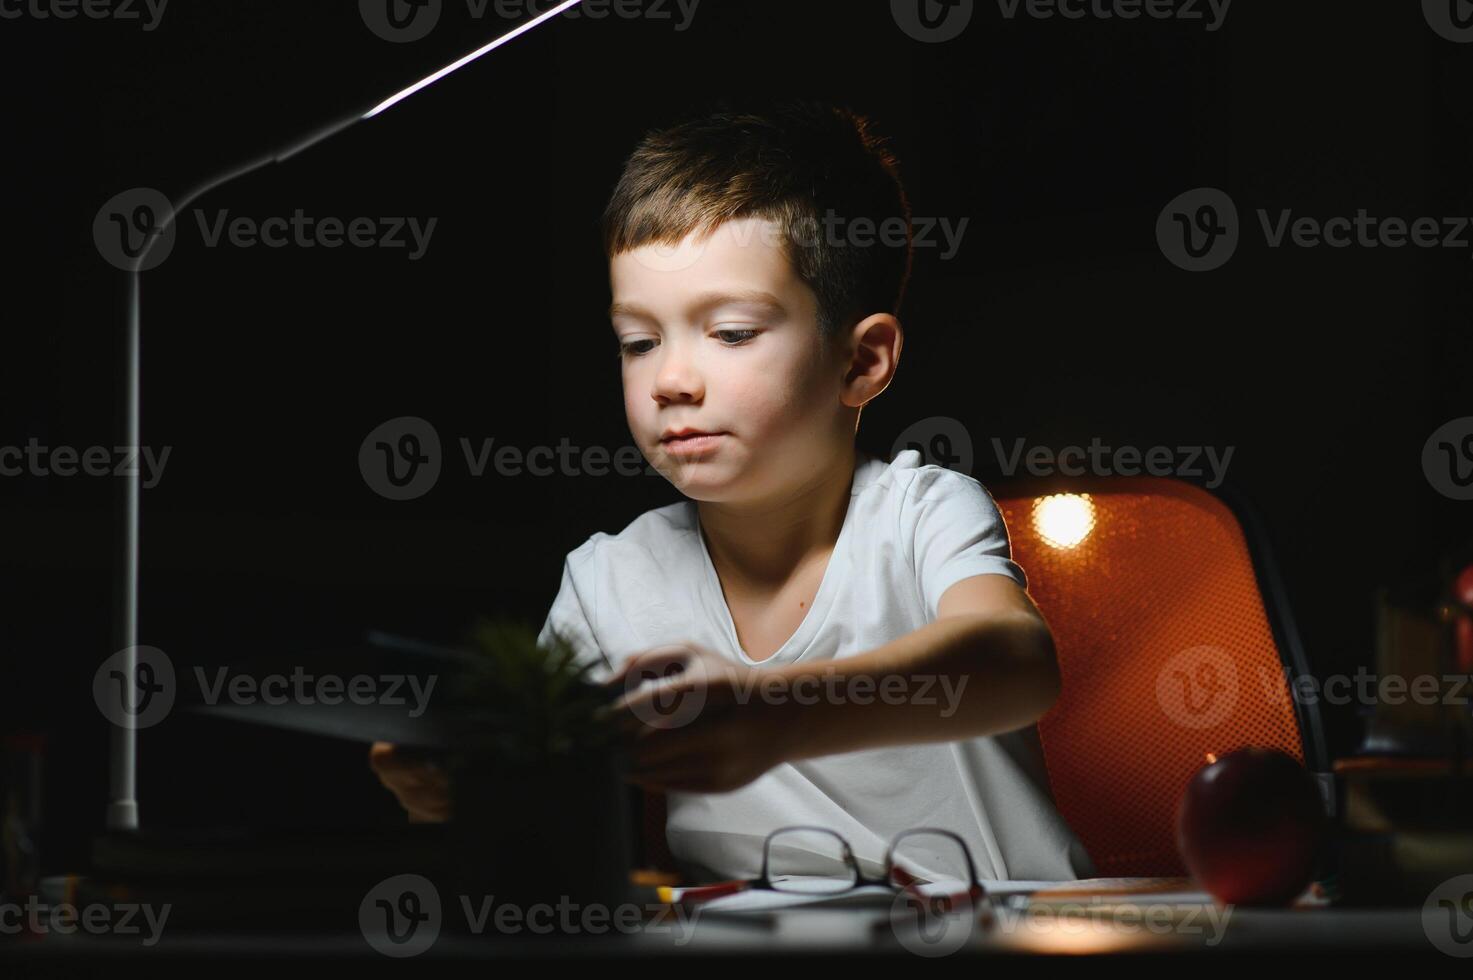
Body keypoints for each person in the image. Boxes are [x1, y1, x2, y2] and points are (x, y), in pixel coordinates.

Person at [372, 98, 1095, 884]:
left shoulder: (918, 511)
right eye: (638, 342)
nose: (671, 381)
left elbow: (1015, 662)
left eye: (732, 333)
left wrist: (771, 715)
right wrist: (455, 783)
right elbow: (545, 783)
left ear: (861, 363)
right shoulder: (609, 578)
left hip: (996, 935)